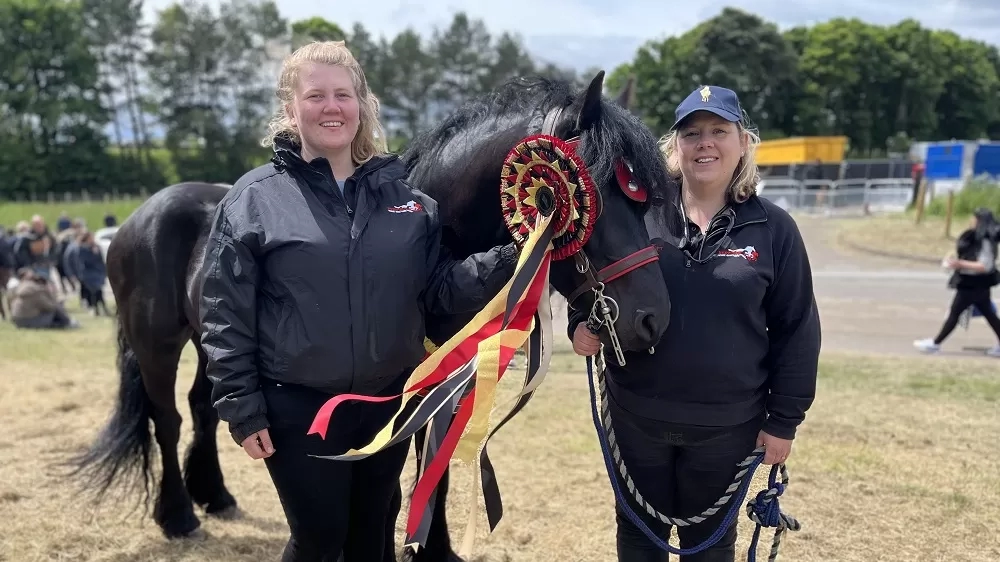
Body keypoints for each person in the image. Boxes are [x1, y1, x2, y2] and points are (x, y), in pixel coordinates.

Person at [197, 40, 519, 562]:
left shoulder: (410, 203)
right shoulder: (253, 200)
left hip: (388, 404)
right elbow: (225, 315)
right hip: (299, 408)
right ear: (290, 108)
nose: (331, 107)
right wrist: (242, 407)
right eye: (316, 95)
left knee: (373, 538)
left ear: (362, 105)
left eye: (343, 95)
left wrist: (511, 254)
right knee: (320, 541)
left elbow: (437, 292)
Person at [569, 85, 821, 562]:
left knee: (710, 549)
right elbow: (597, 281)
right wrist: (581, 325)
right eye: (692, 133)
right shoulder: (639, 217)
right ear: (675, 145)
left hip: (728, 430)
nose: (705, 143)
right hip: (636, 419)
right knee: (639, 539)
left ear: (743, 142)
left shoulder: (774, 229)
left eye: (718, 131)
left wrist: (784, 421)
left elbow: (797, 328)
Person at [914, 207, 1000, 356]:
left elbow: (984, 266)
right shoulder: (980, 238)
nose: (971, 221)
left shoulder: (985, 241)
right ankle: (935, 344)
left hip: (972, 283)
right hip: (977, 284)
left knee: (955, 313)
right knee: (989, 314)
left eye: (974, 218)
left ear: (979, 221)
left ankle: (935, 344)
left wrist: (959, 264)